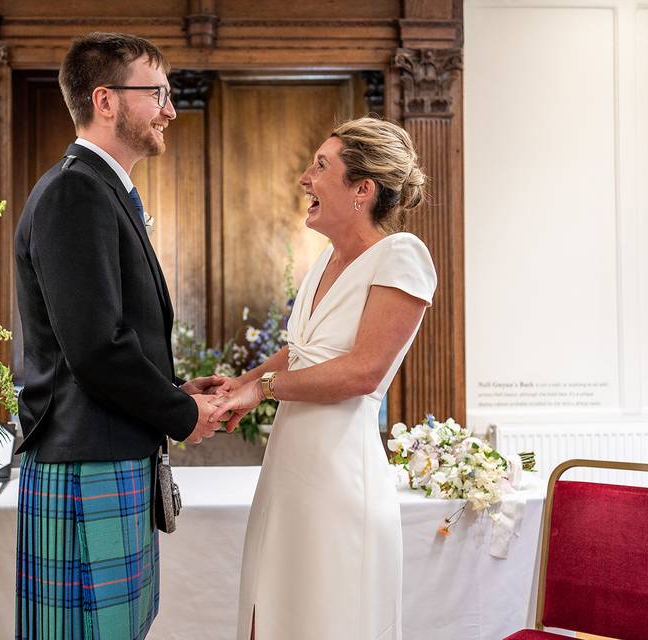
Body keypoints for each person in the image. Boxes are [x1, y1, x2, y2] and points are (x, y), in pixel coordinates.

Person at [12, 32, 221, 640]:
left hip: (108, 453)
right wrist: (182, 412)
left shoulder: (100, 189)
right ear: (106, 100)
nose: (170, 109)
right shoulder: (76, 191)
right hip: (87, 463)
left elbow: (107, 335)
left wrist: (177, 388)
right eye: (156, 92)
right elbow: (96, 347)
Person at [209, 117, 437, 640]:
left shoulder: (402, 256)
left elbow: (363, 371)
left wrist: (261, 389)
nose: (304, 178)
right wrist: (239, 384)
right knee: (275, 613)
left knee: (329, 618)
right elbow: (304, 352)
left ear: (363, 189)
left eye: (320, 166)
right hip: (290, 470)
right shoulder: (326, 261)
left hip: (340, 478)